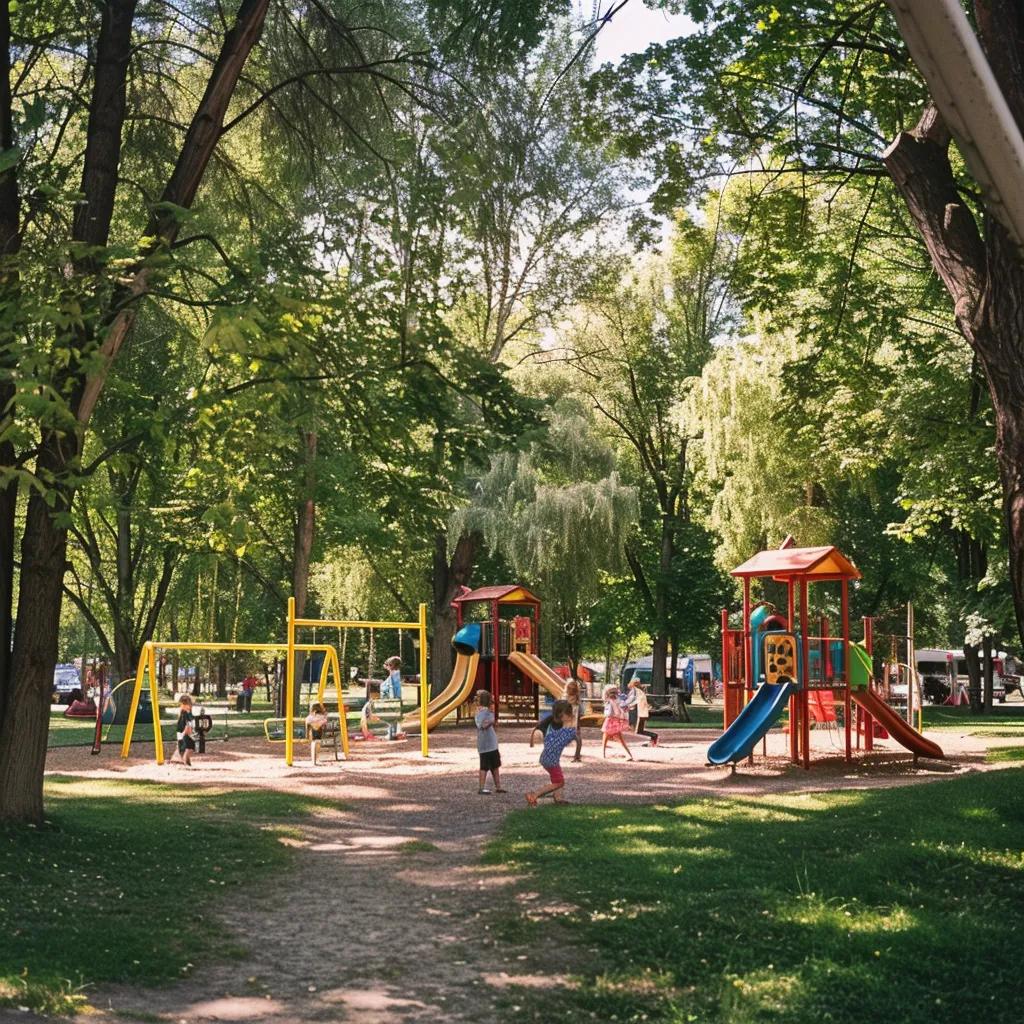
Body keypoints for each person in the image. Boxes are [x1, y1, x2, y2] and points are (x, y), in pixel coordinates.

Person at [526, 700, 578, 806]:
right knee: (560, 782)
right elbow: (576, 737)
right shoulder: (560, 727)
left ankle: (558, 798)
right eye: (568, 714)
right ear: (561, 715)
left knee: (556, 779)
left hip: (547, 758)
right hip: (551, 760)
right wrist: (577, 753)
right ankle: (534, 795)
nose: (570, 716)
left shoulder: (559, 727)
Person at [474, 690, 506, 794]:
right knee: (485, 766)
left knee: (494, 765)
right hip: (487, 744)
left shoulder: (483, 711)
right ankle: (482, 788)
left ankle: (497, 786)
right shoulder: (483, 712)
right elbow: (482, 725)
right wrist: (491, 722)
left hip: (489, 743)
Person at [601, 684, 634, 760]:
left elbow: (608, 713)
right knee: (620, 739)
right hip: (617, 721)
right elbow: (625, 710)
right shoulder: (619, 700)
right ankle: (629, 754)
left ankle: (603, 754)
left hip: (610, 720)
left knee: (605, 737)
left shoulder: (609, 701)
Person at [628, 677, 659, 747]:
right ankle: (653, 739)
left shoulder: (636, 691)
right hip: (642, 713)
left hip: (640, 713)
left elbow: (634, 701)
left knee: (638, 730)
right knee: (639, 730)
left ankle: (654, 737)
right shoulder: (639, 691)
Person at [173, 694, 195, 767]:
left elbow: (191, 720)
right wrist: (186, 731)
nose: (190, 706)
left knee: (190, 746)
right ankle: (185, 760)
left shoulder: (188, 712)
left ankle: (186, 760)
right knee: (187, 746)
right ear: (184, 705)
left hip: (187, 731)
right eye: (189, 704)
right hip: (184, 732)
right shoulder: (183, 713)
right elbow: (183, 724)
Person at [564, 679, 584, 761]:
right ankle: (577, 755)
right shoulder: (566, 699)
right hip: (569, 722)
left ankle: (577, 756)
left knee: (578, 739)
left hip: (572, 723)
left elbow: (581, 712)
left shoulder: (576, 700)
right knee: (577, 740)